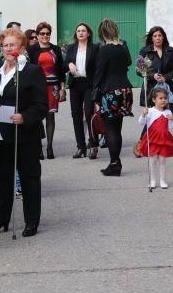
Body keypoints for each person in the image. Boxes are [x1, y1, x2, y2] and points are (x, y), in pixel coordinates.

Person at [0, 28, 48, 237]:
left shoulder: (31, 71)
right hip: (2, 132)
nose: (8, 49)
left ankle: (31, 221)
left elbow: (41, 104)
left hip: (25, 133)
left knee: (29, 178)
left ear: (22, 48)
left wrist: (25, 116)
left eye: (13, 45)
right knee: (1, 179)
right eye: (5, 45)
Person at [92, 19, 133, 176]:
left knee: (110, 129)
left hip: (110, 91)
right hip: (125, 90)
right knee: (118, 128)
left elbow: (99, 73)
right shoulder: (123, 47)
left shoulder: (104, 50)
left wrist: (95, 94)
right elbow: (129, 62)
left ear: (102, 33)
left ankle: (115, 163)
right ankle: (115, 162)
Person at [27, 21, 66, 160]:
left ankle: (49, 147)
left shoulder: (55, 49)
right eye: (42, 33)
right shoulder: (31, 50)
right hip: (37, 87)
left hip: (53, 87)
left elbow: (61, 70)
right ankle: (38, 148)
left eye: (47, 33)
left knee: (50, 116)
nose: (45, 36)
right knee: (37, 117)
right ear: (37, 35)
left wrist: (62, 88)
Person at [65, 22, 99, 159]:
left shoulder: (95, 48)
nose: (81, 33)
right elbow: (64, 63)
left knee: (90, 113)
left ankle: (93, 145)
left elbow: (98, 67)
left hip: (89, 84)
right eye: (78, 30)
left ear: (88, 33)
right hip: (75, 84)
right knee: (76, 115)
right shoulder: (72, 48)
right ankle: (81, 146)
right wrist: (69, 64)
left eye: (83, 30)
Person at [136, 88, 173, 189]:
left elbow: (171, 127)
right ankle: (152, 180)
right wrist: (143, 114)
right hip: (153, 138)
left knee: (162, 160)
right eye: (160, 98)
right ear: (154, 100)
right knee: (153, 160)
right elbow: (141, 122)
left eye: (165, 98)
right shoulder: (150, 111)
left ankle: (162, 180)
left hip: (164, 139)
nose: (163, 100)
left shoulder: (168, 111)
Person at [136, 26, 173, 107]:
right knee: (152, 117)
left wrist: (165, 77)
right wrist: (153, 75)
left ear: (163, 37)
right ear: (151, 38)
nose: (158, 38)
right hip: (150, 89)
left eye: (159, 35)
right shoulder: (145, 51)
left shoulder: (170, 51)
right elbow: (139, 70)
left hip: (167, 88)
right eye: (155, 36)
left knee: (167, 116)